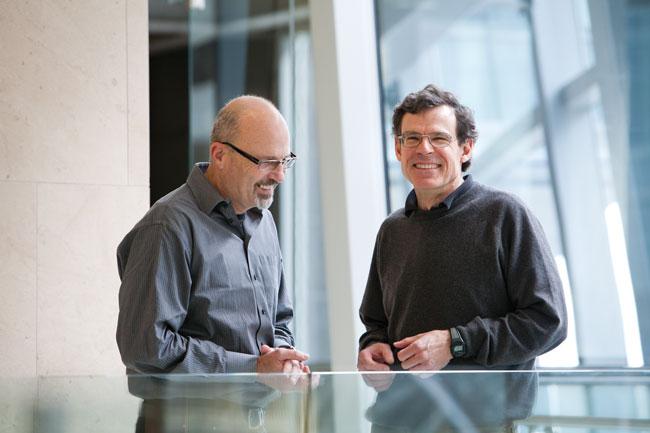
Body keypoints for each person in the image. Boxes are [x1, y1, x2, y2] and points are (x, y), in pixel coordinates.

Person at [357, 84, 567, 375]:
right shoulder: (392, 230)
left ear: (465, 148)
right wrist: (373, 347)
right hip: (396, 416)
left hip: (481, 420)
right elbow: (376, 324)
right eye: (412, 138)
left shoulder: (505, 215)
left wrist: (455, 342)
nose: (424, 149)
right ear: (398, 148)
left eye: (439, 138)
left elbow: (548, 323)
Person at [116, 95, 309, 375]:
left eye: (284, 161)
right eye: (267, 162)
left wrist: (283, 360)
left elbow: (278, 322)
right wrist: (252, 369)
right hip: (186, 419)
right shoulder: (167, 226)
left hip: (259, 417)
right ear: (219, 155)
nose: (279, 176)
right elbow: (146, 348)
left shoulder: (264, 221)